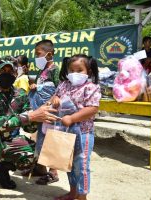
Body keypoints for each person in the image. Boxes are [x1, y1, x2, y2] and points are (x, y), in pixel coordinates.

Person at [0, 58, 59, 200]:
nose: (6, 74)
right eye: (3, 70)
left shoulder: (20, 94)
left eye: (10, 71)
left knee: (34, 153)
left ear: (16, 73)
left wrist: (41, 114)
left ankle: (1, 169)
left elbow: (30, 128)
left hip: (7, 141)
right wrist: (29, 116)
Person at [52, 54, 101, 200]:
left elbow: (92, 109)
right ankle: (73, 192)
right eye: (71, 70)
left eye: (79, 70)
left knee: (82, 165)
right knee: (69, 164)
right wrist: (54, 99)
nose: (75, 74)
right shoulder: (63, 85)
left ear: (89, 71)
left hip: (83, 133)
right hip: (65, 132)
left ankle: (82, 196)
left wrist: (72, 118)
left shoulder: (91, 87)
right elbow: (55, 97)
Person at [28, 39, 60, 184]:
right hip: (40, 109)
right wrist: (35, 86)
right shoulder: (42, 70)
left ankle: (53, 172)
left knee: (50, 139)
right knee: (40, 138)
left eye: (38, 54)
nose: (36, 57)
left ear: (49, 54)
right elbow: (42, 85)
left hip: (50, 110)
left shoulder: (55, 69)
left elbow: (59, 90)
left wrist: (49, 103)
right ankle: (40, 167)